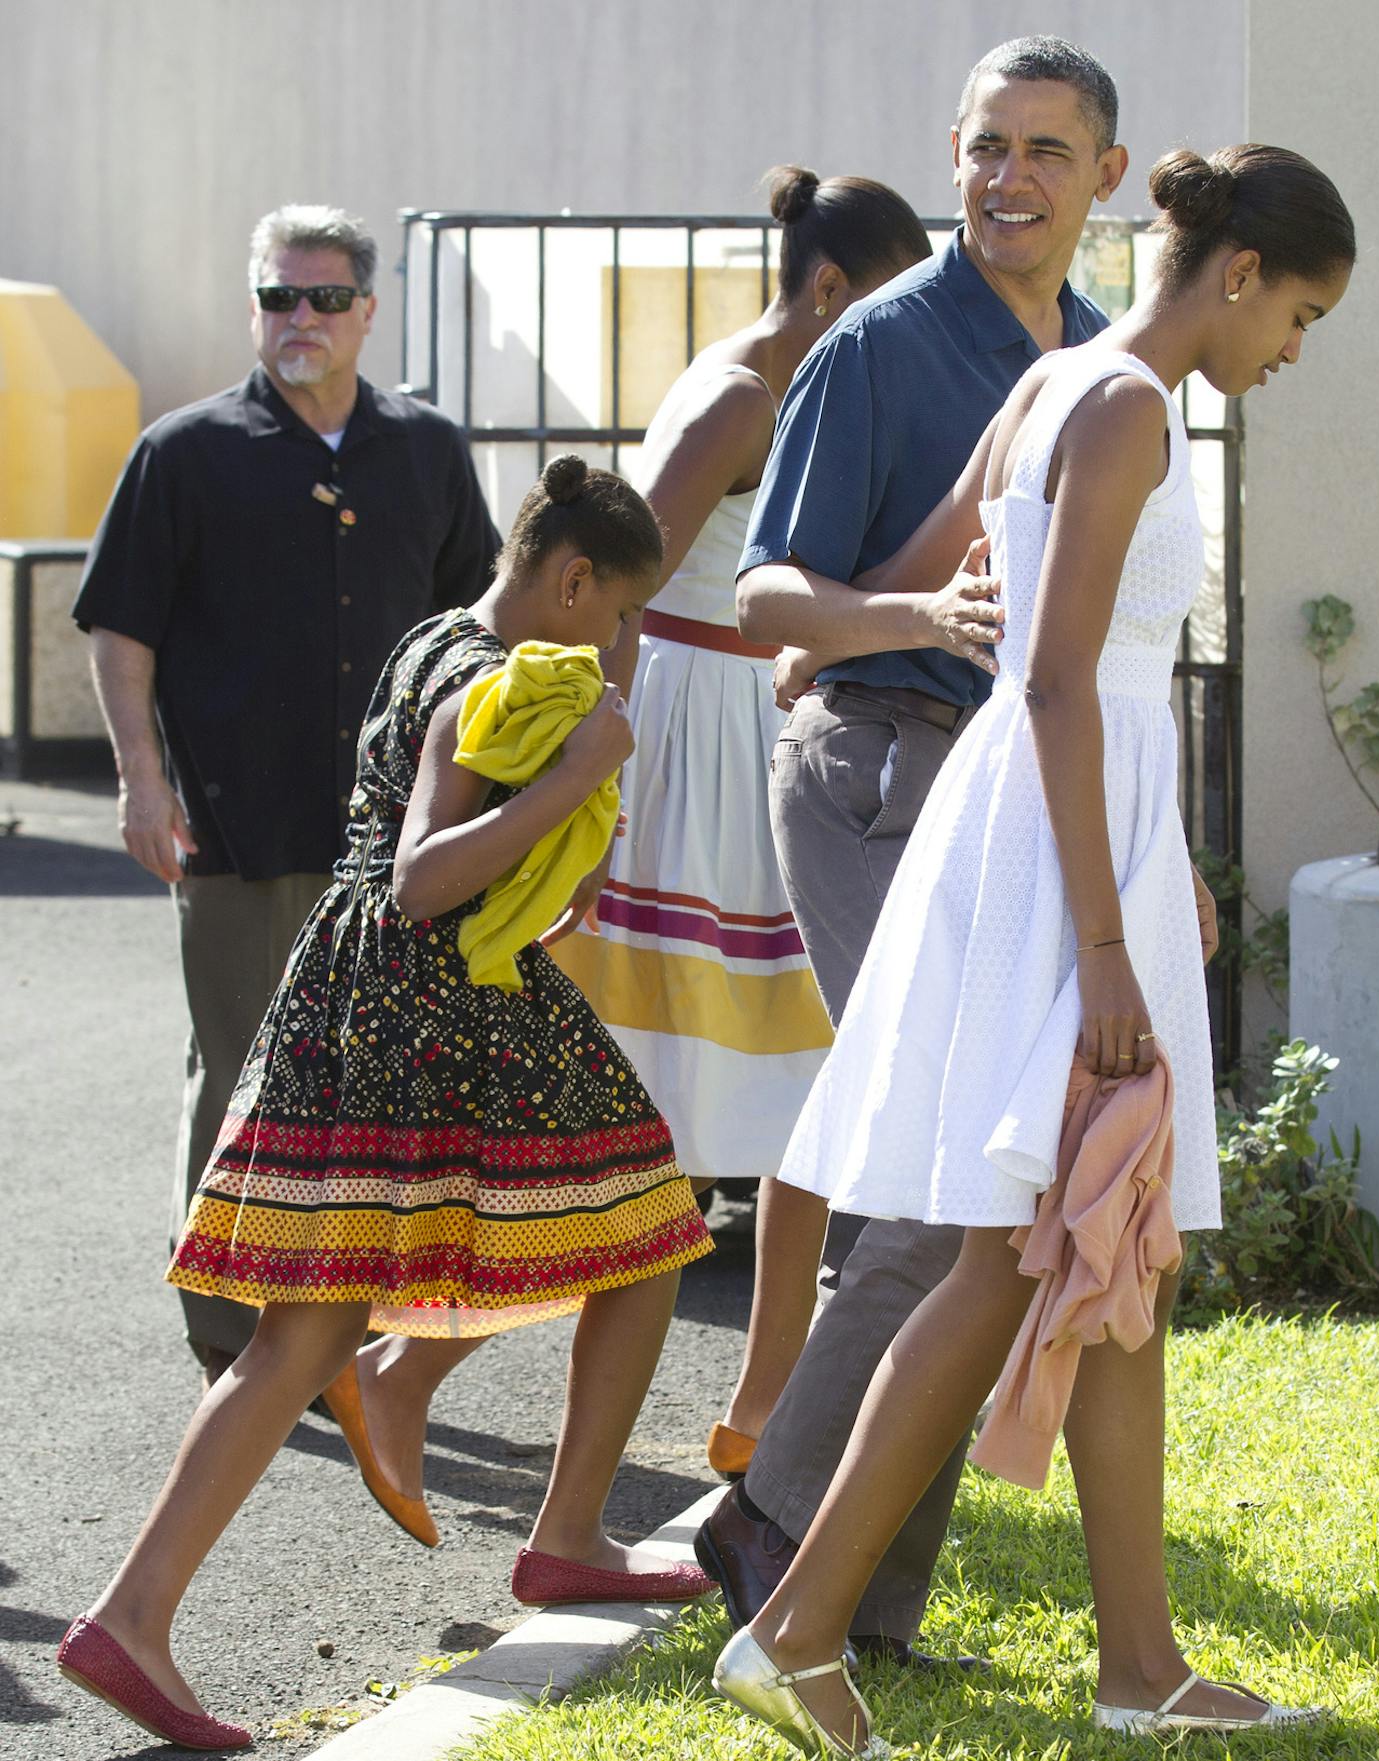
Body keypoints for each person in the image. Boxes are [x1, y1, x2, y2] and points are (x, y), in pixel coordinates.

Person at [712, 143, 1357, 1757]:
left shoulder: (1055, 377)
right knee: (1018, 1251)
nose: (1295, 349)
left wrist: (1156, 874)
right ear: (1235, 274)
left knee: (1109, 1240)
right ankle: (794, 1628)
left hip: (1067, 833)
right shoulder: (1127, 403)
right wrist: (1109, 943)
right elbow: (1061, 682)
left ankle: (1139, 1665)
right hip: (1059, 860)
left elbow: (960, 585)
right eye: (1303, 311)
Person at [55, 458, 716, 1754]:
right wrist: (578, 773)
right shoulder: (498, 684)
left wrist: (547, 854)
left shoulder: (435, 637)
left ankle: (139, 1614)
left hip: (371, 994)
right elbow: (422, 877)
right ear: (575, 580)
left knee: (322, 1333)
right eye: (622, 612)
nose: (620, 640)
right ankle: (556, 1530)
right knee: (639, 1238)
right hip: (429, 997)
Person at [692, 36, 1128, 1668]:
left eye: (1044, 152)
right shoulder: (880, 345)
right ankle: (773, 1526)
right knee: (952, 1205)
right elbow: (765, 599)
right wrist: (915, 611)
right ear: (954, 156)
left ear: (1107, 176)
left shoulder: (1101, 358)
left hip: (1017, 794)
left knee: (985, 1207)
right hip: (879, 767)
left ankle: (851, 1595)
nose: (1009, 178)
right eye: (987, 148)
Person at [546, 167, 931, 1484]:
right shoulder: (739, 395)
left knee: (807, 1079)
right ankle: (406, 1363)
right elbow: (611, 582)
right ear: (829, 288)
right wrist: (593, 781)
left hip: (750, 736)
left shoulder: (798, 392)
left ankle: (765, 1406)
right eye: (884, 307)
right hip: (691, 752)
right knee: (657, 1093)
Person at [72, 204, 499, 1391]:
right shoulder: (185, 451)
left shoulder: (426, 449)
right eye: (276, 298)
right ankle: (226, 1324)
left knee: (367, 1082)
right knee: (242, 1068)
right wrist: (140, 783)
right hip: (234, 825)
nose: (297, 319)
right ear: (252, 308)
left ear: (368, 310)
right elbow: (121, 632)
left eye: (321, 298)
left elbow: (478, 624)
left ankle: (330, 1317)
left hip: (393, 838)